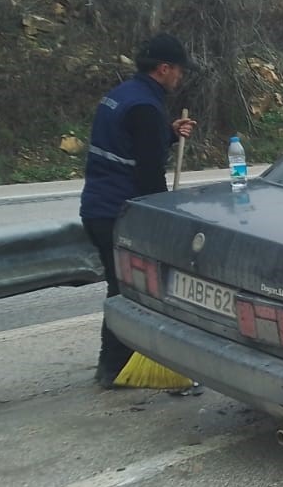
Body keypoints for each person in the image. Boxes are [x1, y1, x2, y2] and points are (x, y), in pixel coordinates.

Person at [79, 33, 198, 387]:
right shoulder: (146, 107)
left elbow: (128, 143)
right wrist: (164, 220)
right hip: (120, 213)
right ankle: (113, 368)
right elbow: (148, 176)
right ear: (164, 69)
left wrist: (169, 134)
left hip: (98, 207)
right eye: (179, 70)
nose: (181, 77)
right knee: (129, 292)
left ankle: (120, 364)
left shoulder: (121, 96)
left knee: (124, 288)